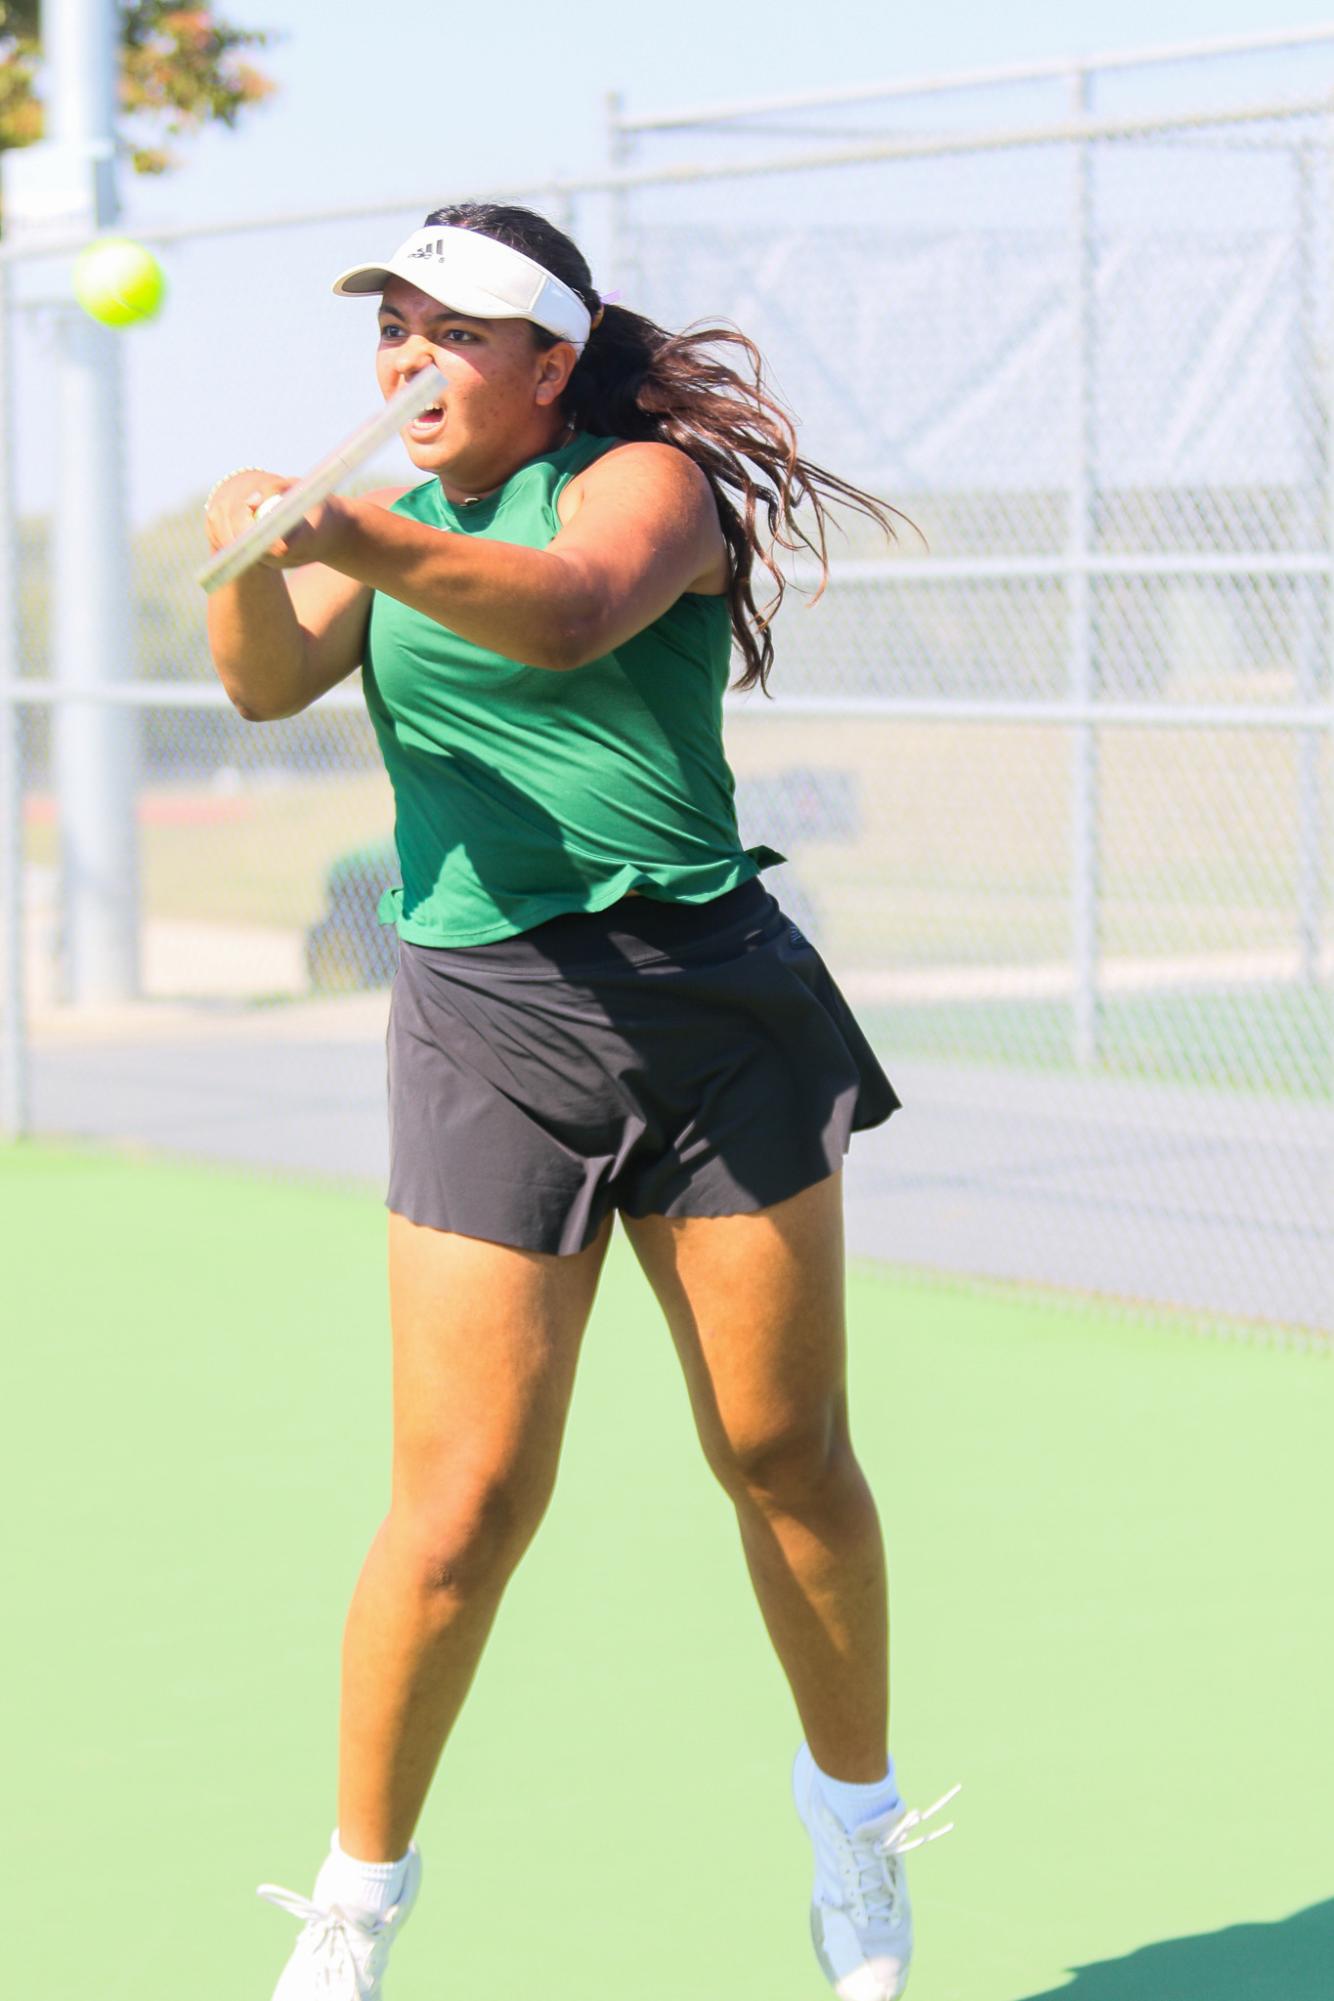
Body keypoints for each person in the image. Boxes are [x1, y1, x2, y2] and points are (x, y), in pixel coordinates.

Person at [204, 202, 957, 2001]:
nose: (406, 361)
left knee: (782, 1458)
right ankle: (354, 1908)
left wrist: (348, 532)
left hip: (713, 1016)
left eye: (450, 332)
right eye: (390, 330)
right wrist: (241, 557)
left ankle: (850, 1829)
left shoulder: (646, 488)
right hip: (486, 1023)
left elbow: (563, 618)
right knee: (458, 1506)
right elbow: (259, 683)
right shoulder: (385, 524)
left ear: (550, 361)